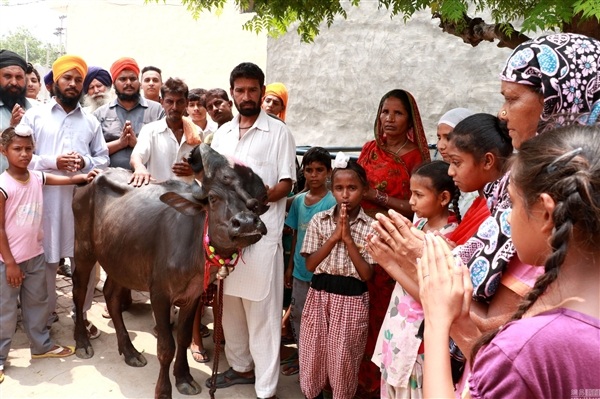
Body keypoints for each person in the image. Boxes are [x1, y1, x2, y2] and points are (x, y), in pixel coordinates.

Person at [366, 32, 600, 395]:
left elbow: (490, 338)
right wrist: (405, 261)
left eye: (511, 98)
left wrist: (423, 263)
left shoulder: (552, 227)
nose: (503, 113)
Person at [419, 125, 600, 398]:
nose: (506, 218)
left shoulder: (527, 348)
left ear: (546, 213)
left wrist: (436, 320)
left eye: (512, 204)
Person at [207, 62, 296, 399]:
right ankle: (241, 366)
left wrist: (256, 199)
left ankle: (266, 388)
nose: (246, 96)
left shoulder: (279, 133)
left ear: (261, 92)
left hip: (261, 233)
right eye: (240, 90)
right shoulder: (223, 133)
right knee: (230, 307)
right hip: (227, 238)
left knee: (262, 313)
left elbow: (287, 182)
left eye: (252, 90)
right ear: (232, 93)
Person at [0, 125, 99, 383]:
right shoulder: (2, 185)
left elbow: (62, 180)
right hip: (7, 262)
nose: (23, 154)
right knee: (5, 310)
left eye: (28, 149)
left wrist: (84, 177)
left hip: (35, 256)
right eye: (17, 149)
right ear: (3, 151)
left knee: (38, 304)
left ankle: (41, 346)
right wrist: (10, 262)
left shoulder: (36, 177)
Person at [19, 54, 109, 333]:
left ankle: (80, 316)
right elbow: (22, 160)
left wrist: (85, 162)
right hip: (44, 205)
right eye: (67, 78)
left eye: (78, 80)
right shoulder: (35, 116)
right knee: (45, 265)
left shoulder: (91, 122)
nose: (72, 84)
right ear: (54, 82)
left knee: (84, 265)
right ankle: (44, 320)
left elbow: (103, 159)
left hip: (82, 207)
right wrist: (52, 162)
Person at [357, 88, 430, 398]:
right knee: (359, 311)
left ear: (409, 118)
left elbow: (417, 205)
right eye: (385, 111)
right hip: (361, 238)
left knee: (384, 311)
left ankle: (380, 383)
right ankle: (356, 378)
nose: (389, 118)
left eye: (397, 113)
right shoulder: (369, 149)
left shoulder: (415, 157)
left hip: (395, 241)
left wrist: (377, 197)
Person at [373, 160, 459, 398]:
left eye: (418, 194)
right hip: (398, 328)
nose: (411, 201)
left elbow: (429, 296)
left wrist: (388, 262)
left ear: (443, 198)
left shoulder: (449, 238)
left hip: (418, 338)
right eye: (411, 193)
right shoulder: (419, 224)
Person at [298, 155, 375, 399]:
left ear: (364, 190)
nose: (345, 195)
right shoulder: (319, 221)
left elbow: (366, 274)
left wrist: (348, 238)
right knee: (313, 354)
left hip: (352, 299)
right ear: (332, 190)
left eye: (352, 188)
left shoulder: (370, 227)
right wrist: (334, 237)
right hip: (319, 295)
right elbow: (310, 264)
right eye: (339, 188)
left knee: (343, 360)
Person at [282, 146, 336, 376]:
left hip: (323, 274)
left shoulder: (333, 202)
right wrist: (290, 268)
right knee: (298, 316)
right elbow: (295, 235)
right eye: (310, 170)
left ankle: (319, 367)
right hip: (300, 272)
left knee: (322, 322)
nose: (314, 175)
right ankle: (304, 361)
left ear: (328, 173)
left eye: (319, 170)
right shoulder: (299, 201)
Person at [445, 113, 512, 246]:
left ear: (487, 161)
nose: (450, 171)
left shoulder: (498, 215)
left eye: (456, 162)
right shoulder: (480, 203)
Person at [94, 57, 164, 170]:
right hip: (110, 181)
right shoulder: (100, 114)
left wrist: (136, 143)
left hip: (148, 180)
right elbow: (93, 151)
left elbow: (164, 148)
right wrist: (120, 144)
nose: (128, 83)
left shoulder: (157, 110)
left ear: (139, 82)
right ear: (114, 83)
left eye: (133, 78)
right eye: (123, 79)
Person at [130, 77, 200, 186]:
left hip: (189, 198)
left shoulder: (197, 133)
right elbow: (137, 156)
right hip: (158, 198)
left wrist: (194, 170)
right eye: (169, 102)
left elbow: (205, 169)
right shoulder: (150, 130)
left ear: (186, 103)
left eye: (180, 102)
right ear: (162, 102)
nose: (174, 107)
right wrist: (139, 168)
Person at [0, 50, 33, 173]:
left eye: (19, 77)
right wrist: (11, 128)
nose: (14, 82)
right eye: (7, 76)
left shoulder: (36, 110)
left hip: (30, 187)